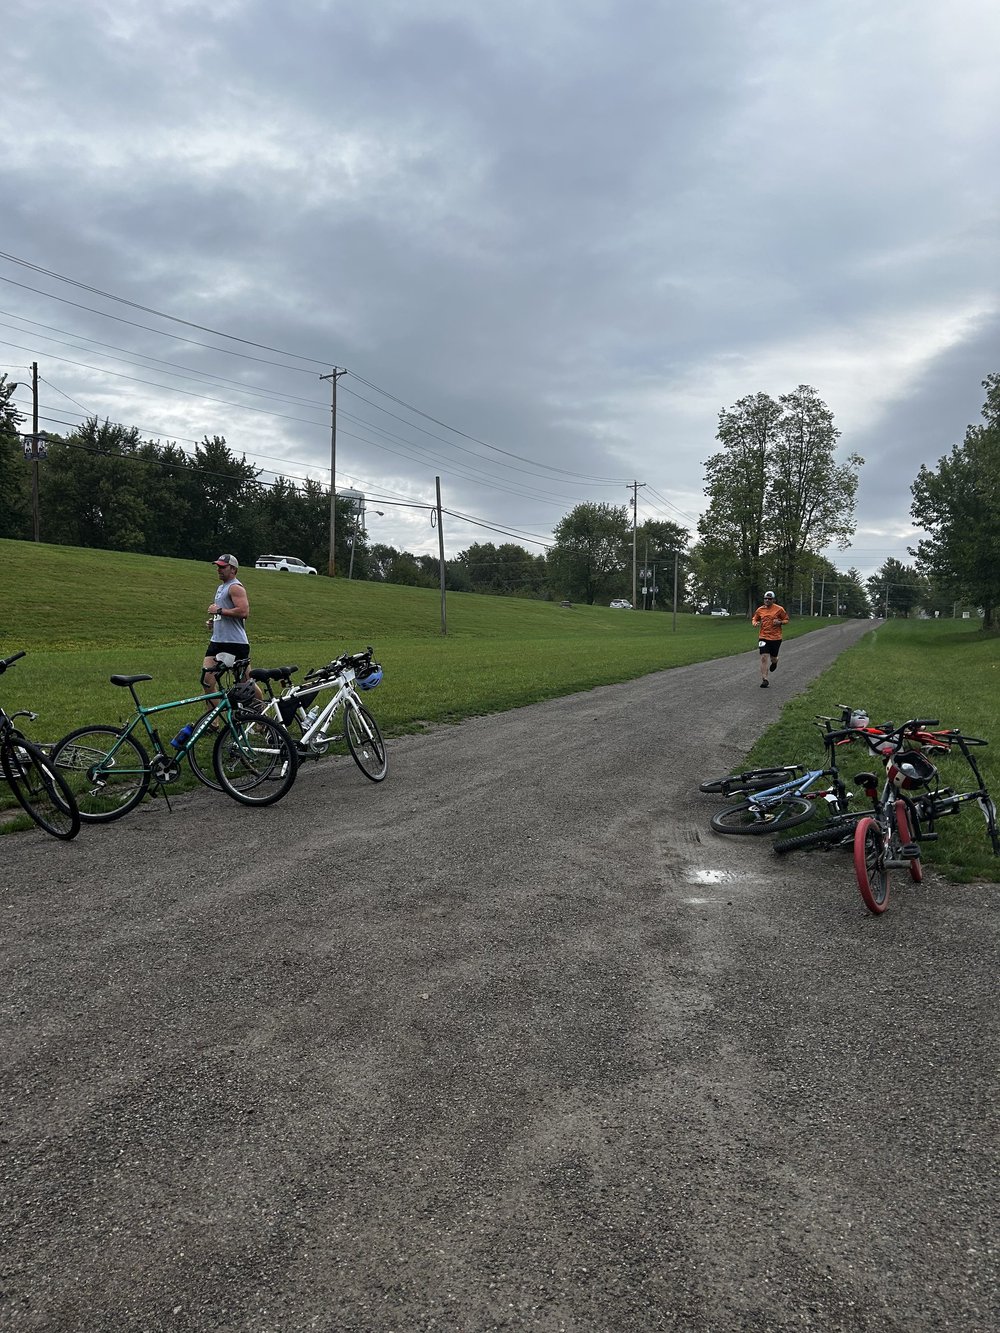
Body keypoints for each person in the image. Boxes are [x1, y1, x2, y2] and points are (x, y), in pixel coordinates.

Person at [203, 554, 252, 705]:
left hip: (234, 643)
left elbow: (243, 612)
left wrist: (219, 611)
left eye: (222, 567)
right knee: (207, 681)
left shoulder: (235, 587)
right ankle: (212, 722)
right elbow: (224, 612)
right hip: (217, 642)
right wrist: (215, 622)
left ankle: (261, 719)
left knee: (245, 685)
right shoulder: (221, 587)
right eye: (218, 566)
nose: (219, 569)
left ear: (233, 569)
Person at [751, 590, 789, 688]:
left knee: (773, 658)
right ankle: (765, 679)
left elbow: (786, 620)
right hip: (763, 637)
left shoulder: (779, 609)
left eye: (769, 599)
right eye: (766, 599)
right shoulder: (760, 610)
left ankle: (775, 662)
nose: (767, 600)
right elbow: (755, 618)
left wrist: (780, 622)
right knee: (763, 657)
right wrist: (755, 623)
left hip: (776, 638)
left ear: (774, 600)